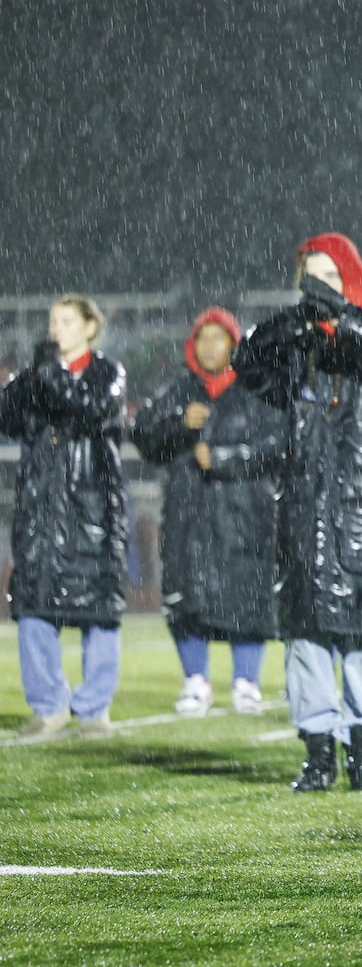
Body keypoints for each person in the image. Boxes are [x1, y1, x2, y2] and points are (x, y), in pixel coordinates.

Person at [233, 233, 362, 791]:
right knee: (306, 638)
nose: (316, 285)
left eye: (328, 274)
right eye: (308, 277)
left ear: (350, 279)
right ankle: (318, 752)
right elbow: (244, 359)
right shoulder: (294, 350)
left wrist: (343, 319)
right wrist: (299, 322)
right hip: (303, 512)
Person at [132, 307, 285, 716]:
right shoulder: (180, 391)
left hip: (245, 515)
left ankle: (246, 682)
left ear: (235, 345)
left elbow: (279, 447)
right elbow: (143, 435)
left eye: (219, 338)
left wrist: (222, 459)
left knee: (248, 596)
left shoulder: (257, 390)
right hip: (188, 514)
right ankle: (195, 681)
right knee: (186, 597)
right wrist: (180, 423)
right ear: (192, 346)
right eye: (203, 338)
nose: (211, 346)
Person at [2, 295, 128, 740]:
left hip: (92, 511)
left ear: (90, 327)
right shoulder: (38, 376)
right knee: (34, 607)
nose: (56, 329)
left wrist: (50, 374)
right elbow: (6, 419)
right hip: (40, 512)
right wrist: (25, 379)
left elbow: (89, 409)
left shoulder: (108, 373)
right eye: (53, 321)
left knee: (98, 611)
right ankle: (48, 707)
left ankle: (94, 709)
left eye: (67, 321)